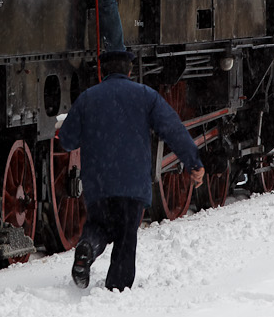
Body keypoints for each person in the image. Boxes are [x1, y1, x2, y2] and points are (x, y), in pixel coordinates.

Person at [59, 50, 203, 290]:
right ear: (129, 71)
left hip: (99, 183)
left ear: (102, 72)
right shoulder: (146, 95)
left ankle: (88, 247)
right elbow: (173, 130)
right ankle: (116, 288)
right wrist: (194, 163)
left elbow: (67, 141)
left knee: (98, 226)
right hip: (132, 184)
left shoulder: (87, 98)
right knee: (126, 235)